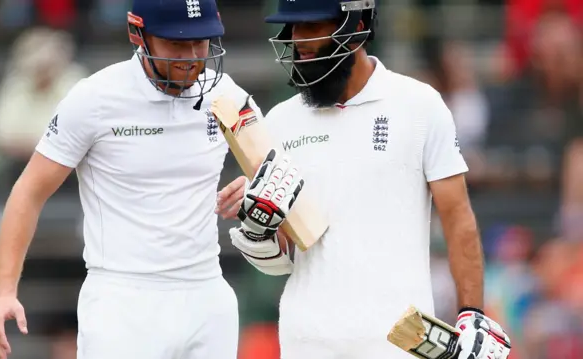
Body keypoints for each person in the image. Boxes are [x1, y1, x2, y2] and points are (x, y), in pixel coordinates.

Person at [216, 0, 513, 358]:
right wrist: (258, 229)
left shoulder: (419, 106)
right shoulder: (279, 122)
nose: (298, 42)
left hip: (398, 343)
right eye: (293, 28)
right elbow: (282, 260)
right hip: (306, 342)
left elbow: (457, 215)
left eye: (311, 26)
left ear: (357, 27)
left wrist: (472, 313)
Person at [0, 0, 258, 358]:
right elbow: (28, 192)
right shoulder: (95, 98)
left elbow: (273, 169)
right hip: (123, 301)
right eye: (177, 43)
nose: (192, 56)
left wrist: (254, 188)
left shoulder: (225, 93)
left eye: (202, 41)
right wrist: (5, 291)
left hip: (207, 294)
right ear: (138, 35)